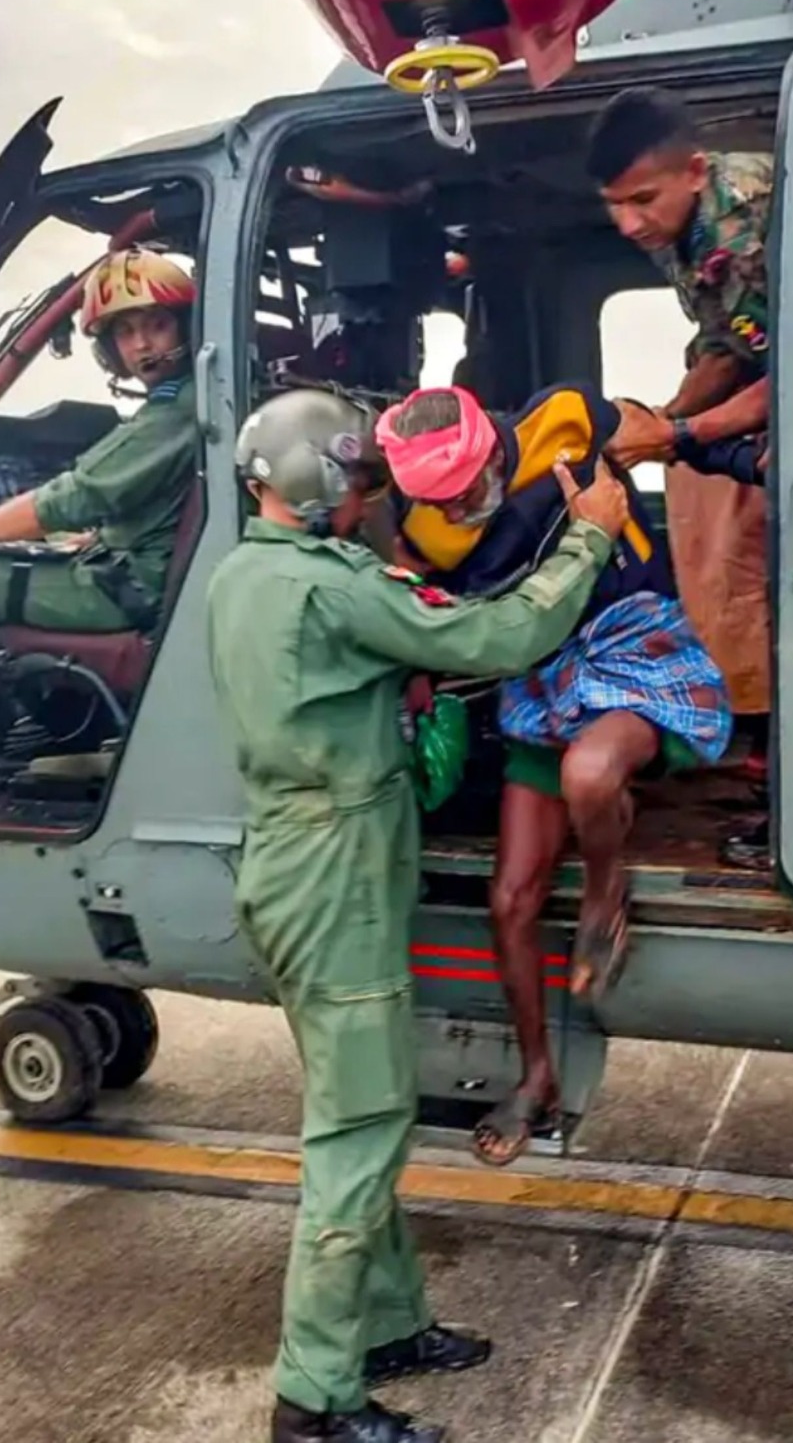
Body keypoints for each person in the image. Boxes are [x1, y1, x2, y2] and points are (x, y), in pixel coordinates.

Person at [205, 382, 631, 1443]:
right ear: (315, 485)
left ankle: (386, 1323)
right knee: (357, 1134)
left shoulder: (250, 573)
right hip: (333, 869)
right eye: (355, 482)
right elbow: (494, 639)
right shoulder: (329, 588)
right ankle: (316, 1401)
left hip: (304, 858)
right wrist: (586, 540)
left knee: (365, 1110)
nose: (368, 499)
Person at [374, 383, 732, 1167]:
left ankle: (608, 882)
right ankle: (538, 1077)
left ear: (491, 445)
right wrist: (417, 676)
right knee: (510, 898)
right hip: (539, 684)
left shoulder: (560, 419)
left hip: (635, 653)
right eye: (440, 495)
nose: (461, 502)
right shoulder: (424, 524)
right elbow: (407, 594)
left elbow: (654, 433)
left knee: (591, 772)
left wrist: (640, 461)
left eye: (468, 483)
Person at [585, 87, 774, 861]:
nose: (629, 223)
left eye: (642, 199)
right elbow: (729, 345)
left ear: (696, 171)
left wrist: (685, 431)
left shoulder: (754, 218)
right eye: (613, 206)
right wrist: (662, 422)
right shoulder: (682, 232)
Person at [0, 247, 197, 634]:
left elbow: (77, 496)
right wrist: (93, 539)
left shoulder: (177, 413)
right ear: (110, 349)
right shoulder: (186, 401)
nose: (142, 344)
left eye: (157, 325)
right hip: (133, 572)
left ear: (185, 329)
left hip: (127, 591)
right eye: (125, 331)